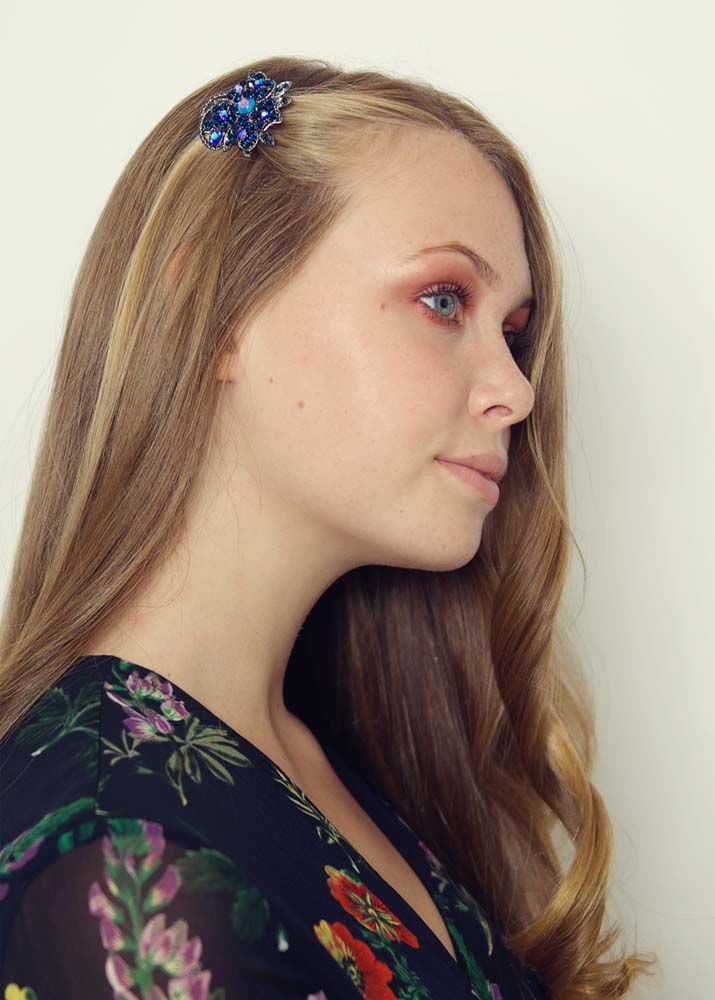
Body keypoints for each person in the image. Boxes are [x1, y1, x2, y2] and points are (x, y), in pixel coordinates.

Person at [0, 58, 658, 999]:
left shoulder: (335, 762)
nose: (514, 392)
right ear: (214, 311)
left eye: (512, 334)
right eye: (443, 301)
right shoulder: (118, 858)